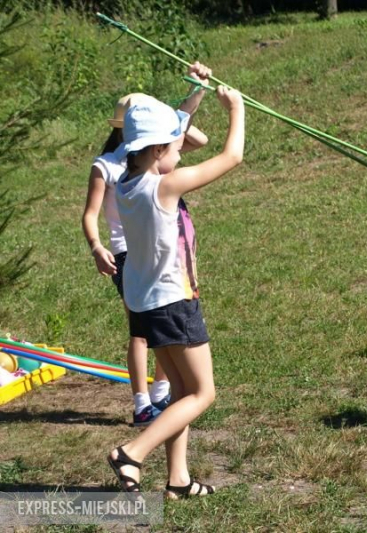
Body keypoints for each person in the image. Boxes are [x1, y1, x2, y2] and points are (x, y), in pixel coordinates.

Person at [107, 84, 244, 498]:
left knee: (181, 393)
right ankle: (132, 452)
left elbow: (173, 146)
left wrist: (194, 97)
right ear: (154, 152)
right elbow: (231, 157)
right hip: (173, 304)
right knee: (203, 393)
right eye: (175, 146)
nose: (181, 150)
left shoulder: (125, 184)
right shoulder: (163, 187)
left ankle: (178, 480)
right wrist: (235, 109)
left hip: (146, 305)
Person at [81, 63, 212, 427]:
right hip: (126, 254)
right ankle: (142, 401)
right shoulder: (107, 166)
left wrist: (196, 86)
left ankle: (161, 395)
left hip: (156, 249)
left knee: (160, 327)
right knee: (141, 331)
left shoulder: (153, 156)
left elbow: (189, 131)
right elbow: (90, 215)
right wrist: (96, 246)